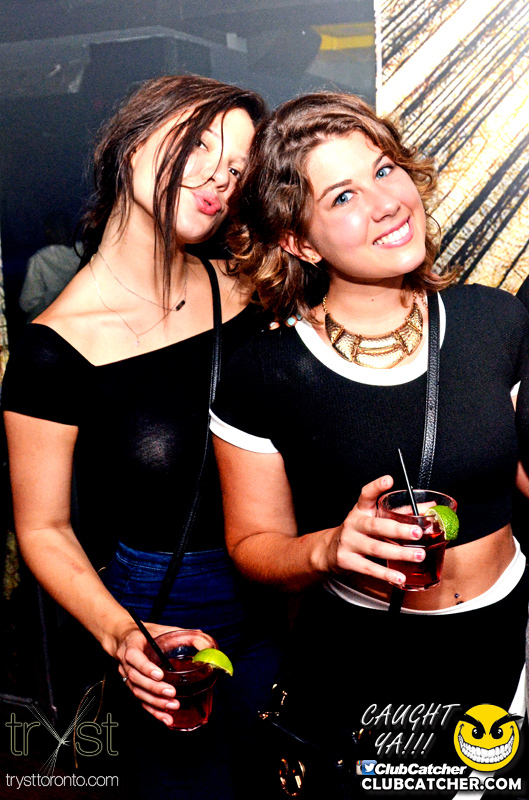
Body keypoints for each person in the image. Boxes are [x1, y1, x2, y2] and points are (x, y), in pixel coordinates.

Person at [211, 92, 529, 795]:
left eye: (385, 171)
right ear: (298, 242)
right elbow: (252, 545)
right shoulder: (264, 374)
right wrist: (328, 548)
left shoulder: (494, 321)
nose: (386, 203)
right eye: (344, 195)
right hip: (367, 660)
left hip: (505, 642)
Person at [2, 74, 285, 799]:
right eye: (199, 145)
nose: (219, 178)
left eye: (237, 168)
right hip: (171, 619)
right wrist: (123, 634)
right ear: (130, 142)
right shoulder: (53, 350)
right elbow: (43, 529)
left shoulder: (249, 291)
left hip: (295, 594)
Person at [19, 212, 80, 322]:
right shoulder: (87, 253)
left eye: (47, 229)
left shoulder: (39, 259)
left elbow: (27, 303)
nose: (46, 233)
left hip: (51, 323)